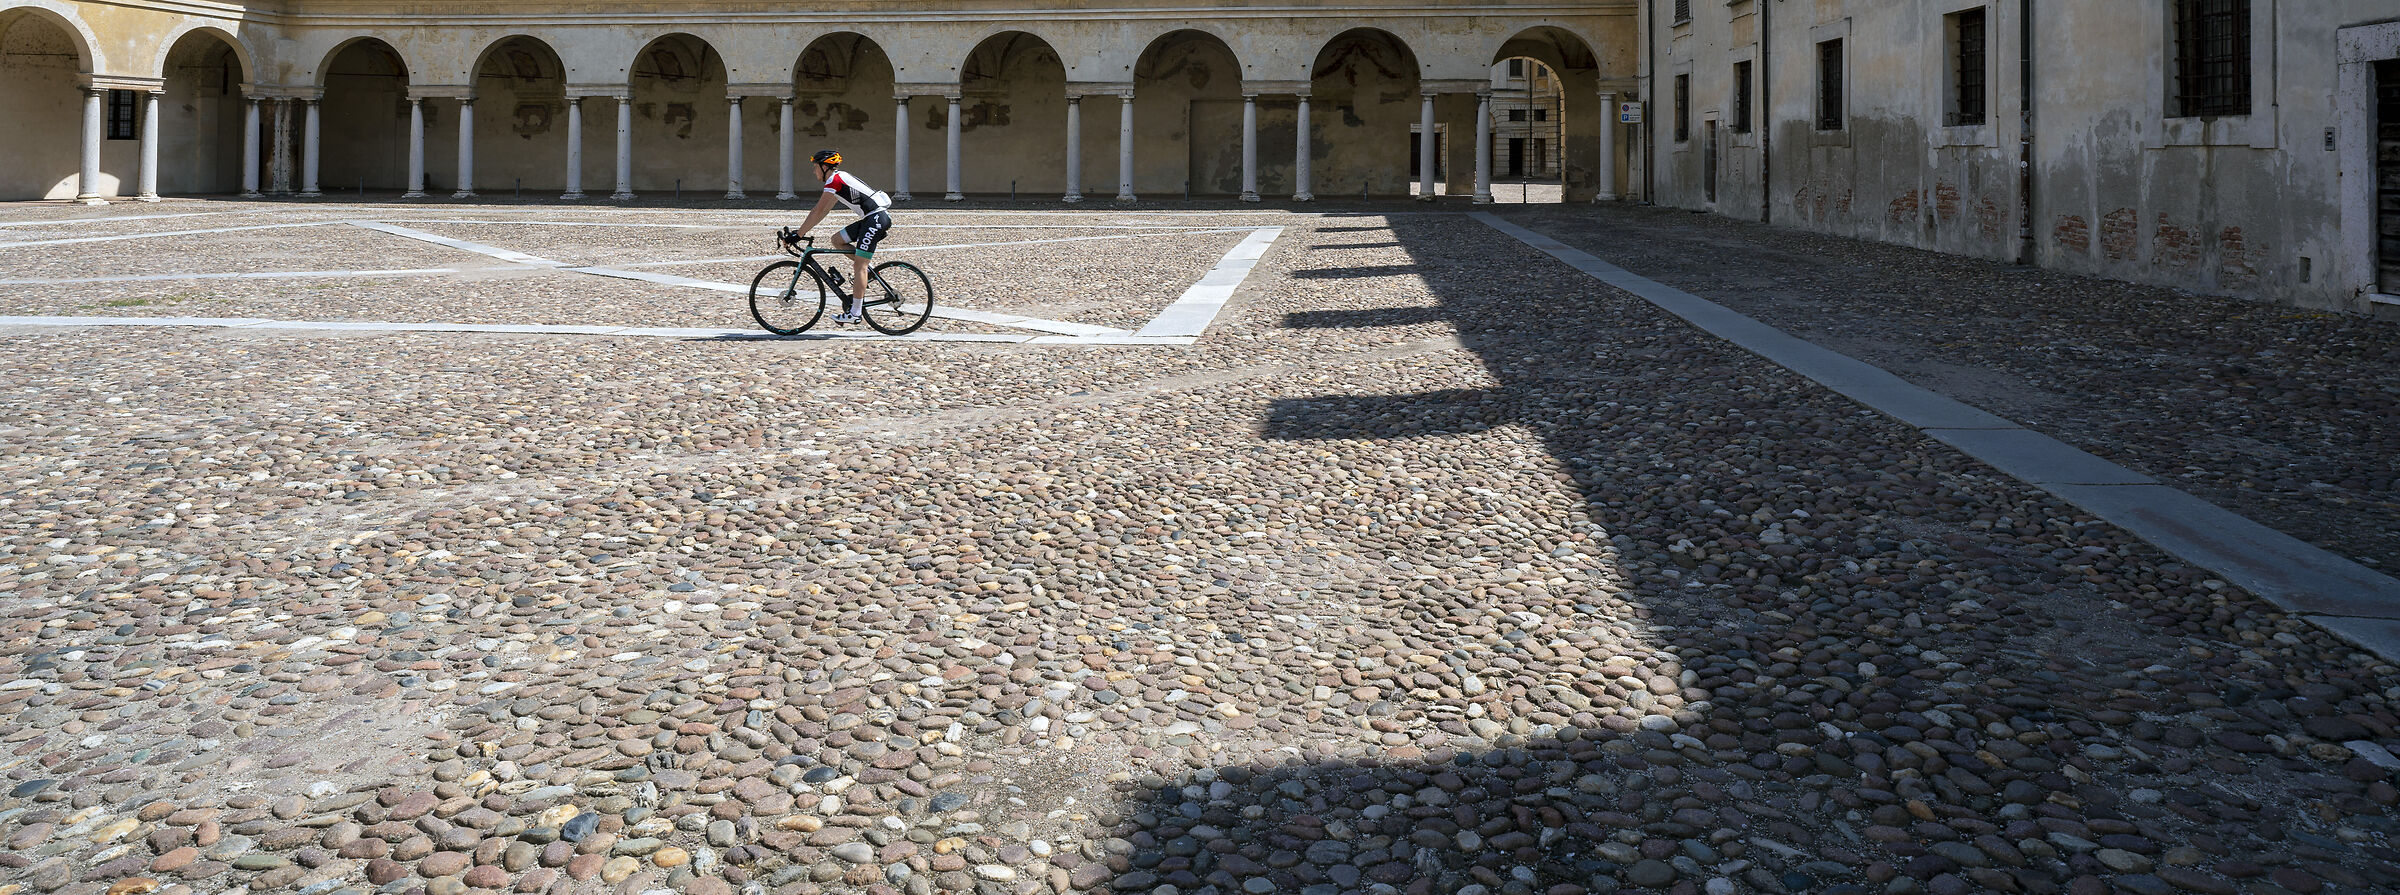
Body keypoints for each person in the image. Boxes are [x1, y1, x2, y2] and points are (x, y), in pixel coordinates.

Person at [786, 150, 892, 323]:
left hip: (875, 219)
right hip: (872, 218)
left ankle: (855, 313)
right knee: (837, 240)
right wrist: (801, 232)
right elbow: (824, 211)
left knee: (859, 265)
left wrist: (798, 235)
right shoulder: (837, 180)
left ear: (825, 166)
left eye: (815, 167)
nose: (814, 171)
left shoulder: (834, 180)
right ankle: (866, 269)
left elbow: (818, 210)